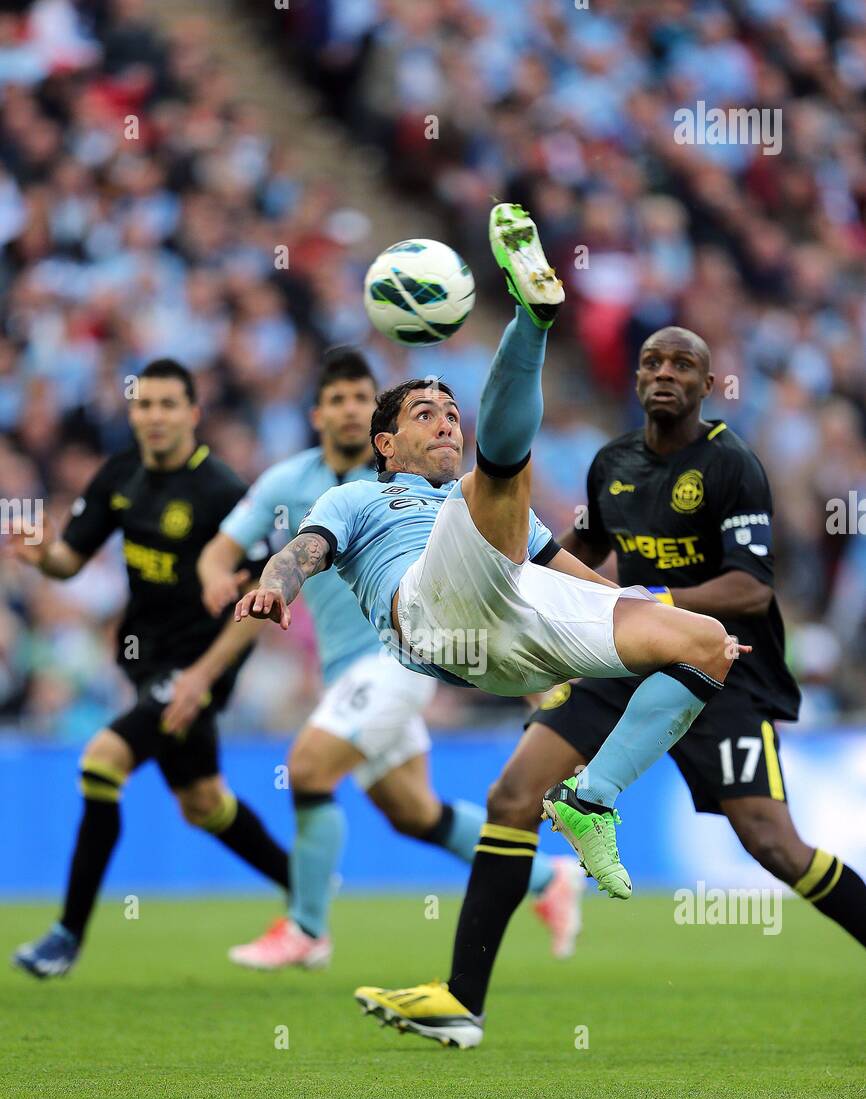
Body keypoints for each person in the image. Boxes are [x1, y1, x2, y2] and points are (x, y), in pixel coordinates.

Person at [237, 204, 745, 1046]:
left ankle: (591, 799)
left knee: (703, 643)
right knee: (497, 480)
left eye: (450, 411)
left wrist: (644, 611)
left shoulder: (488, 511)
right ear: (388, 446)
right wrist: (274, 583)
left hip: (512, 610)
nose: (445, 422)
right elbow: (305, 551)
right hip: (429, 613)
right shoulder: (363, 495)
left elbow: (564, 576)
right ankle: (533, 318)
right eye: (426, 416)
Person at [353, 325, 866, 1047]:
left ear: (708, 384)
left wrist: (650, 604)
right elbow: (575, 556)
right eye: (652, 361)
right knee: (511, 796)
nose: (664, 373)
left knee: (773, 844)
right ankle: (462, 1001)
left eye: (684, 364)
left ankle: (597, 798)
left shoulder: (731, 466)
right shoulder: (611, 465)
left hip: (717, 668)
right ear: (635, 379)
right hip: (623, 657)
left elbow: (750, 591)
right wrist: (532, 610)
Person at [199, 347, 583, 967]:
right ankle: (546, 879)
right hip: (344, 674)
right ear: (319, 413)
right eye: (338, 399)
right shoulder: (291, 485)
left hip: (393, 661)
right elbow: (224, 549)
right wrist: (227, 578)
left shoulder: (433, 493)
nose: (349, 409)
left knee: (307, 770)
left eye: (361, 396)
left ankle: (306, 927)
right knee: (413, 813)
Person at [9, 359, 288, 978]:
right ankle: (306, 889)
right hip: (145, 660)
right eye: (145, 405)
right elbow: (69, 562)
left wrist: (204, 678)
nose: (154, 416)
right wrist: (40, 556)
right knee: (202, 802)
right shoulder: (119, 475)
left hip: (201, 662)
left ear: (192, 413)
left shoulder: (220, 490)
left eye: (168, 405)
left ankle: (65, 935)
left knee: (102, 761)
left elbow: (259, 602)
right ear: (132, 412)